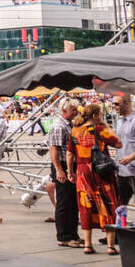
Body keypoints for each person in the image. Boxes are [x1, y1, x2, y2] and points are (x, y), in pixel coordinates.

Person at [70, 103, 122, 255]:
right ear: (95, 115)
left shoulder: (75, 131)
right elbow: (118, 143)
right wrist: (107, 127)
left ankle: (87, 245)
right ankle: (111, 246)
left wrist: (69, 171)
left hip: (82, 173)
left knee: (86, 206)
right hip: (101, 172)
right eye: (100, 114)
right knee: (108, 204)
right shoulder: (99, 129)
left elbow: (69, 154)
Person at [48, 99, 81, 247]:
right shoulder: (58, 126)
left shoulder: (67, 125)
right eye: (73, 110)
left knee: (72, 202)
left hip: (69, 165)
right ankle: (64, 236)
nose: (76, 112)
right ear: (65, 110)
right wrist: (59, 170)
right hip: (62, 164)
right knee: (64, 201)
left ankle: (73, 234)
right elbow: (53, 149)